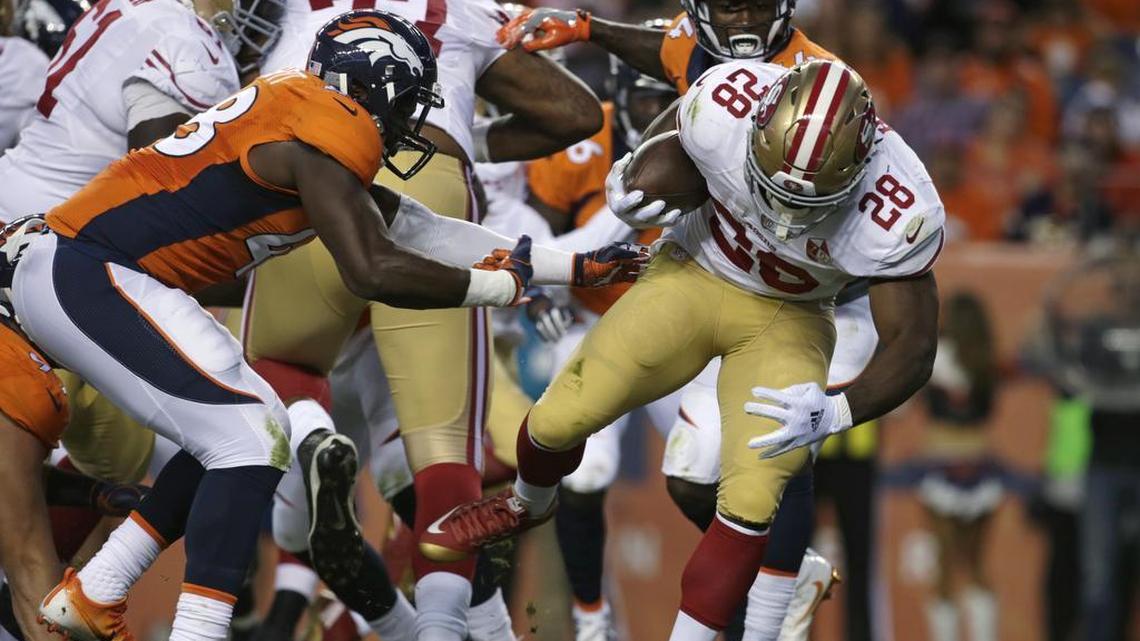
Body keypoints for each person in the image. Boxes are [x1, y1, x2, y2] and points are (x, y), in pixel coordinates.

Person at [13, 11, 631, 640]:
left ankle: (96, 590)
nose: (415, 123)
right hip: (92, 271)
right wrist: (496, 289)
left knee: (254, 421)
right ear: (376, 89)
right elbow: (371, 270)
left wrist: (570, 266)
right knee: (251, 437)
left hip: (89, 267)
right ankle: (195, 630)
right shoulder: (334, 124)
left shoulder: (304, 111)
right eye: (412, 102)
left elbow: (422, 228)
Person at [421, 59, 944, 641]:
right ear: (757, 125)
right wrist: (634, 175)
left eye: (809, 198)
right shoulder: (726, 104)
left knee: (751, 495)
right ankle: (524, 505)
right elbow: (675, 132)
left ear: (861, 166)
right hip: (693, 273)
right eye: (770, 184)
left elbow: (914, 348)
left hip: (789, 317)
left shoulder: (899, 208)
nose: (784, 212)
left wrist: (838, 410)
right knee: (557, 418)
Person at [498, 4, 876, 639]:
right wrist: (591, 27)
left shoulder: (815, 94)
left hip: (778, 297)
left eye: (754, 5)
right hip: (666, 299)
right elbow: (672, 51)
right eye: (726, 7)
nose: (655, 118)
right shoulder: (684, 66)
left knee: (747, 458)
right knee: (624, 464)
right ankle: (595, 620)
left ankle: (772, 595)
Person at [242, 1, 607, 639]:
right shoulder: (460, 10)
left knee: (273, 377)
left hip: (302, 173)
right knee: (442, 451)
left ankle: (296, 458)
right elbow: (576, 113)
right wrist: (472, 132)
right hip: (428, 178)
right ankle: (437, 629)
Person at [916, 292, 1001, 641]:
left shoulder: (934, 359)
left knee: (945, 568)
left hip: (941, 466)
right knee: (976, 564)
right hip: (980, 467)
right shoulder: (986, 363)